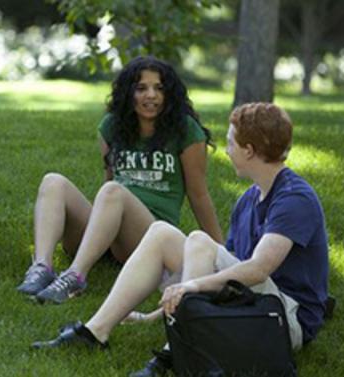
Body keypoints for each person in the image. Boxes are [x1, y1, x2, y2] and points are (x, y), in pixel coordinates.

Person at [32, 103, 330, 377]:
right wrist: (155, 314)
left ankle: (171, 355)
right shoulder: (249, 199)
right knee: (161, 232)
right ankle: (95, 332)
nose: (226, 150)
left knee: (199, 240)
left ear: (249, 150)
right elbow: (229, 275)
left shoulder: (293, 198)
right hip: (254, 304)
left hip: (283, 321)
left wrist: (191, 286)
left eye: (230, 142)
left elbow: (257, 270)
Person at [17, 56, 223, 304]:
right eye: (141, 88)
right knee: (53, 182)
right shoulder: (112, 127)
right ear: (128, 93)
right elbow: (109, 178)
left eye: (159, 88)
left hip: (149, 236)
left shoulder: (185, 130)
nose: (151, 96)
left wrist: (221, 255)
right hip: (109, 232)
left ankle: (75, 276)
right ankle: (41, 267)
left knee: (112, 191)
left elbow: (198, 194)